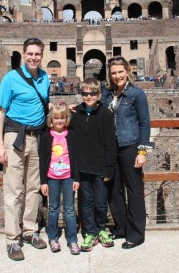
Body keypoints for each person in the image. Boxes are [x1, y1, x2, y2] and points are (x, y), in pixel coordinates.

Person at [0, 38, 50, 261]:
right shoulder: (10, 78)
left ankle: (29, 231)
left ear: (41, 55)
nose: (33, 57)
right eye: (30, 54)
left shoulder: (45, 77)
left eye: (37, 54)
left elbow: (44, 106)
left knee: (33, 188)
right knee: (13, 190)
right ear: (24, 54)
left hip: (37, 138)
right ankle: (11, 239)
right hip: (14, 138)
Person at [101, 56, 153, 249]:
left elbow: (145, 123)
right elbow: (94, 109)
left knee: (134, 190)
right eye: (113, 73)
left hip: (130, 146)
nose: (117, 76)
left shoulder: (137, 94)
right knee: (113, 190)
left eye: (120, 72)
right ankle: (121, 227)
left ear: (127, 72)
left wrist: (143, 151)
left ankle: (136, 233)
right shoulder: (107, 94)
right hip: (111, 148)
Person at [70, 78, 117, 252]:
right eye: (85, 93)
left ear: (99, 94)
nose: (88, 96)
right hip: (82, 166)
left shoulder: (106, 114)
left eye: (92, 93)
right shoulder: (76, 114)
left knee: (101, 201)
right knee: (86, 201)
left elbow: (110, 143)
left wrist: (109, 167)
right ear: (81, 94)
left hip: (100, 166)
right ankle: (89, 232)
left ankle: (101, 229)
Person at [39, 102, 81, 255]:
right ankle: (52, 237)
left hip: (69, 177)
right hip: (52, 177)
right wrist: (43, 181)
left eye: (62, 118)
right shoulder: (46, 136)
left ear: (66, 119)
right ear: (51, 119)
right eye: (56, 118)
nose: (59, 121)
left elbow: (75, 157)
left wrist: (77, 178)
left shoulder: (71, 135)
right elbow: (43, 160)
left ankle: (72, 239)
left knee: (70, 209)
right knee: (53, 208)